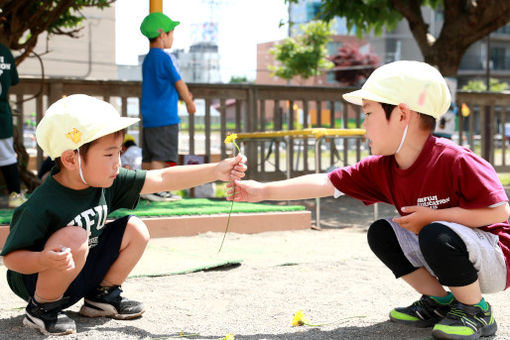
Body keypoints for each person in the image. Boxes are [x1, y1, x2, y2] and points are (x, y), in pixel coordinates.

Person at [229, 60, 510, 340]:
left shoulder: (455, 159)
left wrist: (433, 217)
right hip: (449, 247)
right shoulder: (382, 167)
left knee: (435, 232)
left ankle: (476, 310)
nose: (363, 124)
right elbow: (327, 182)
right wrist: (261, 191)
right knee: (383, 232)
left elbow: (498, 211)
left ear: (401, 115)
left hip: (493, 257)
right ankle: (440, 302)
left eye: (368, 113)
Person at [0, 94, 246, 336]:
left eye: (119, 152)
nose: (118, 163)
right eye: (109, 154)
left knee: (135, 229)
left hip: (82, 270)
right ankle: (42, 309)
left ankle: (101, 297)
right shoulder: (42, 204)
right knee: (75, 237)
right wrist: (44, 260)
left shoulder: (107, 181)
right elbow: (12, 259)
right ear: (70, 159)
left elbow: (162, 178)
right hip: (41, 280)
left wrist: (216, 170)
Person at [139, 12, 196, 202]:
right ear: (162, 34)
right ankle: (158, 190)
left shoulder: (148, 59)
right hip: (165, 116)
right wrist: (189, 102)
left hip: (149, 117)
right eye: (172, 34)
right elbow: (178, 82)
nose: (172, 38)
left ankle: (145, 189)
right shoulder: (165, 57)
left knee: (148, 156)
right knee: (161, 156)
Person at [0, 42, 27, 208]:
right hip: (1, 116)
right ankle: (15, 195)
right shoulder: (4, 51)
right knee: (8, 157)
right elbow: (14, 80)